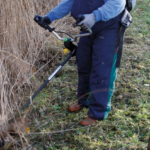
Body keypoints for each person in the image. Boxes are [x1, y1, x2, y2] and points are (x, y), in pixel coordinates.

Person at [38, 0, 126, 126]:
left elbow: (117, 3)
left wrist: (95, 16)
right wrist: (49, 17)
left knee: (102, 69)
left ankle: (97, 113)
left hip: (109, 27)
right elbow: (71, 2)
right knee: (84, 62)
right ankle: (83, 100)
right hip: (87, 26)